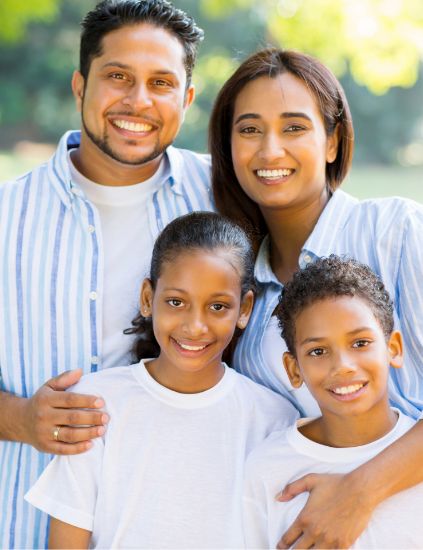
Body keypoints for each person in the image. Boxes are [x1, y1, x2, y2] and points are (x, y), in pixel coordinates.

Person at [0, 1, 213, 547]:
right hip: (20, 525)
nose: (138, 101)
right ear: (79, 86)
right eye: (118, 76)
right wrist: (19, 418)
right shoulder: (5, 217)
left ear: (186, 99)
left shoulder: (227, 202)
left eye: (161, 83)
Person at [209, 47, 423, 548]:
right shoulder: (244, 294)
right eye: (249, 129)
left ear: (332, 140)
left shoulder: (397, 232)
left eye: (293, 127)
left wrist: (361, 492)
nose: (269, 151)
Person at [24, 211, 298, 549]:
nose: (195, 326)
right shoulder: (96, 404)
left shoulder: (274, 419)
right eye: (176, 302)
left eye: (217, 307)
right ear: (147, 298)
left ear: (244, 309)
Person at [243, 255, 423, 549]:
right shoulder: (268, 469)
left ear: (394, 349)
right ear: (293, 369)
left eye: (360, 343)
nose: (343, 366)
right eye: (318, 351)